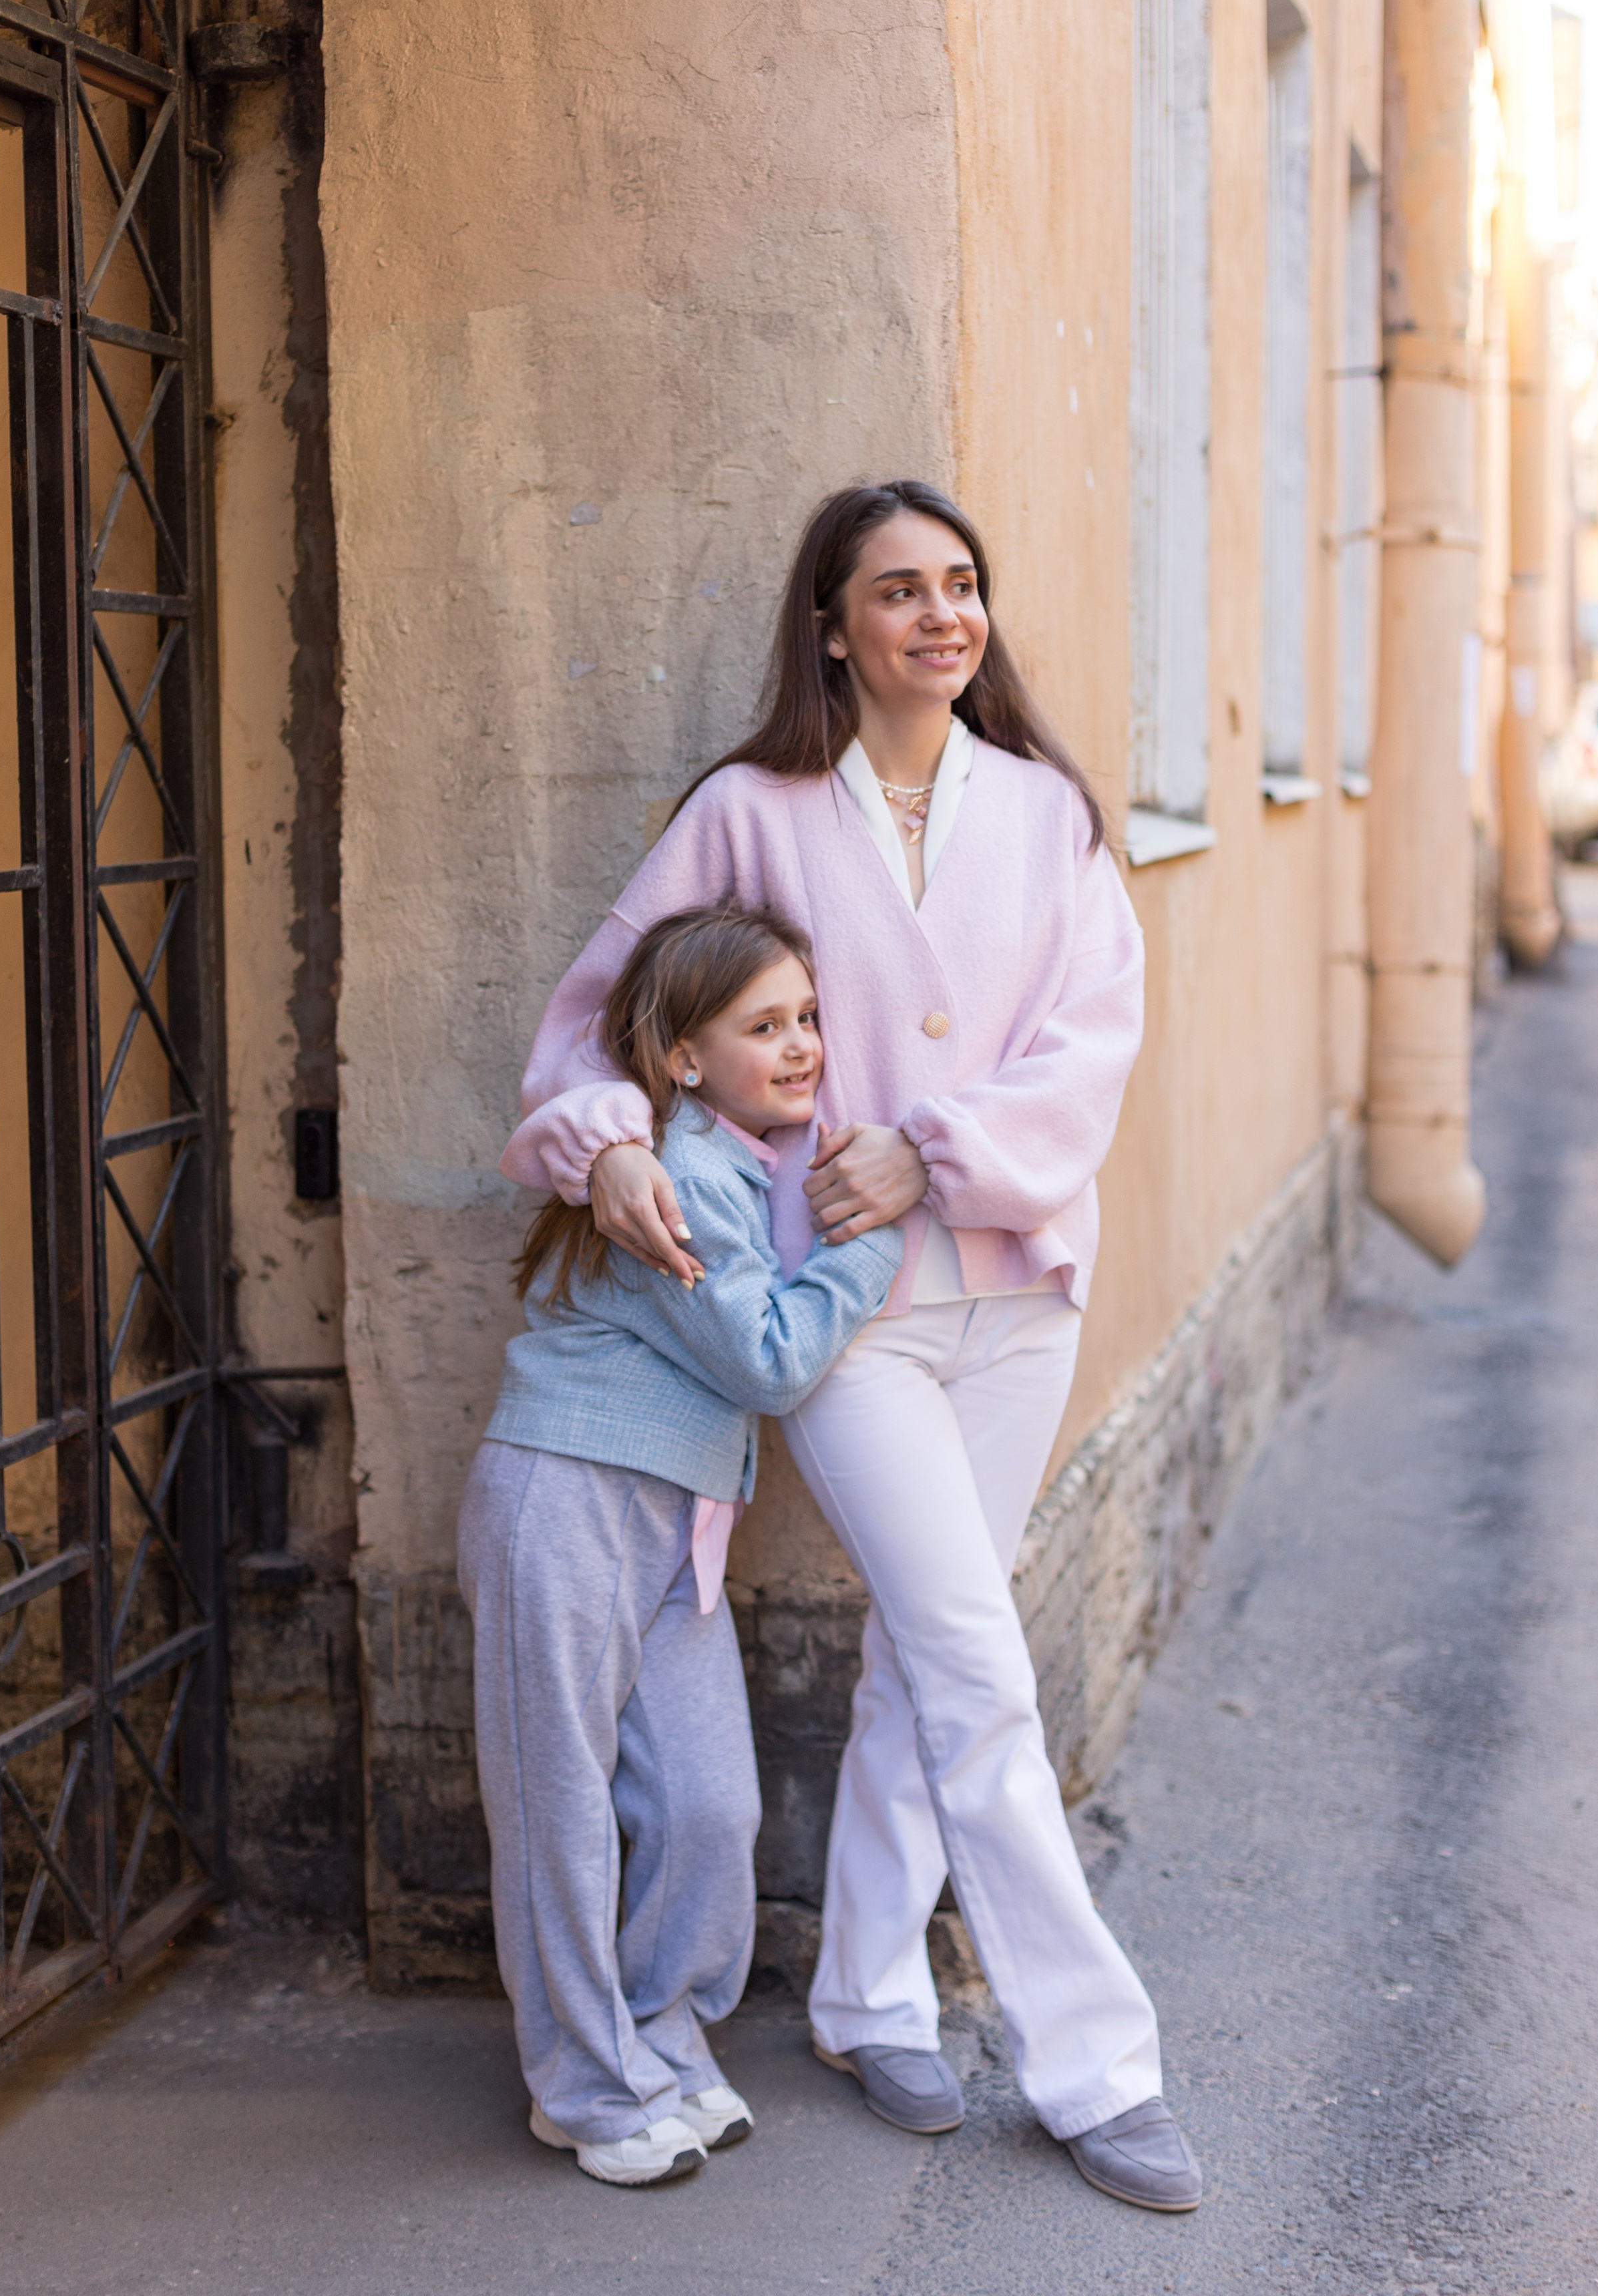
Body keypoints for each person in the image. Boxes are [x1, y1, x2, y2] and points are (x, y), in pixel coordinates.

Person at [501, 480, 1203, 2215]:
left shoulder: (1046, 814)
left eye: (962, 585)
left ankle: (870, 1991)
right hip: (854, 1314)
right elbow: (596, 1020)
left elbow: (1092, 1043)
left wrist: (941, 1146)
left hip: (1024, 1281)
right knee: (978, 1659)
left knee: (923, 1640)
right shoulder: (753, 811)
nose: (941, 617)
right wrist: (604, 1151)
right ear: (833, 624)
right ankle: (1098, 2062)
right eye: (899, 591)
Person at [459, 904, 902, 2189]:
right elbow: (767, 1359)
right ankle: (585, 2087)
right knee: (561, 1809)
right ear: (684, 1057)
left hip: (677, 1526)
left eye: (810, 1018)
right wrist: (869, 1252)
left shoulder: (733, 1161)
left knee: (712, 1803)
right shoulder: (677, 1170)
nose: (803, 1045)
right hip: (571, 1496)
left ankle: (659, 2034)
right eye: (765, 1025)